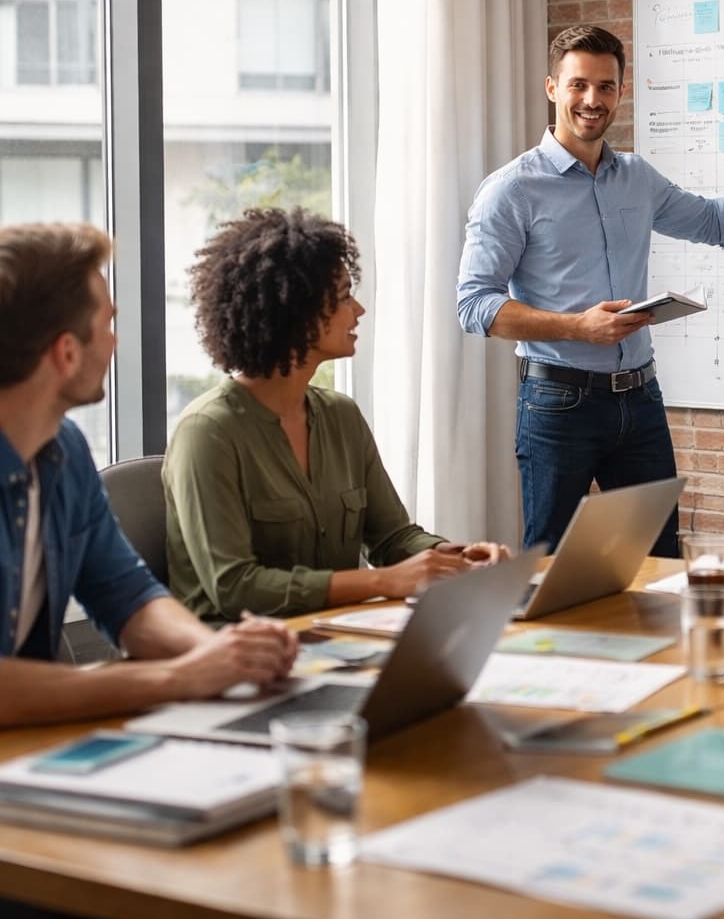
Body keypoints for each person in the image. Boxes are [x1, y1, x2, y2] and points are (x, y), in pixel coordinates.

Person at [457, 24, 724, 557]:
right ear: (552, 88)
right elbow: (475, 304)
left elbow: (718, 222)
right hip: (558, 403)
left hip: (640, 401)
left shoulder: (636, 177)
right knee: (548, 565)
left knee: (660, 565)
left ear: (621, 92)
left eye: (606, 87)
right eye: (579, 85)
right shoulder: (511, 189)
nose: (592, 100)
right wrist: (578, 327)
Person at [0, 222, 296, 728]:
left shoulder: (65, 453)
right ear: (67, 353)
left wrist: (224, 655)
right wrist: (182, 678)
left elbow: (130, 598)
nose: (116, 342)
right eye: (108, 324)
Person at [164, 208, 505, 623]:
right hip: (234, 654)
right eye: (344, 295)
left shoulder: (340, 416)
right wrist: (382, 583)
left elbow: (392, 537)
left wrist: (451, 558)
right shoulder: (208, 433)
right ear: (295, 310)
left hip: (336, 636)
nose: (358, 310)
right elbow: (235, 588)